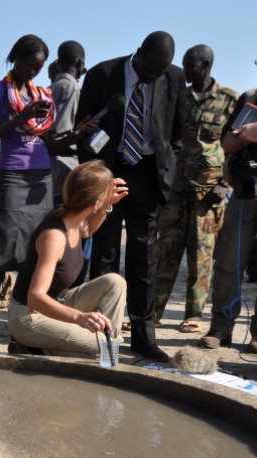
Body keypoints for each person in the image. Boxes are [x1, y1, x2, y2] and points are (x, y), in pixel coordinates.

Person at [0, 34, 99, 352]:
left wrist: (78, 134)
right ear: (15, 58)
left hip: (43, 182)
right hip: (13, 180)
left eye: (38, 68)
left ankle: (21, 337)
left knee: (33, 260)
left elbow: (48, 144)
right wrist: (19, 119)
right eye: (29, 65)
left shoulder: (42, 94)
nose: (33, 73)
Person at [75, 31, 186, 362]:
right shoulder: (102, 74)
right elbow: (84, 130)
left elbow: (178, 132)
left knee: (144, 258)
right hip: (111, 168)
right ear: (138, 53)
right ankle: (102, 337)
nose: (152, 77)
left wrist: (168, 164)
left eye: (159, 73)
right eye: (149, 70)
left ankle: (143, 337)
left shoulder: (175, 77)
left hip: (149, 174)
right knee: (105, 254)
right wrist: (95, 173)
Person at [199, 41, 257, 354]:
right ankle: (221, 327)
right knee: (229, 261)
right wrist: (244, 136)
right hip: (245, 189)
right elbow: (226, 142)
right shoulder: (250, 98)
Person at [154, 45, 237, 334]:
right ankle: (152, 313)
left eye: (190, 66)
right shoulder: (179, 97)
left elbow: (237, 148)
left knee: (200, 257)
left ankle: (193, 315)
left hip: (209, 191)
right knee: (165, 251)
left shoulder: (229, 100)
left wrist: (226, 183)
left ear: (206, 64)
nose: (185, 71)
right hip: (176, 188)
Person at [8, 160, 127, 357]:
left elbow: (87, 230)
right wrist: (79, 317)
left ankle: (106, 344)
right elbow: (34, 297)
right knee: (101, 347)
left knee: (114, 282)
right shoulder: (54, 237)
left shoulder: (74, 221)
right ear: (94, 203)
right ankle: (33, 349)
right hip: (28, 318)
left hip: (57, 304)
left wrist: (106, 206)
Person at [50, 41, 86, 207]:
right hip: (66, 167)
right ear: (80, 62)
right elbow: (61, 133)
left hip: (53, 170)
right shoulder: (72, 87)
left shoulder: (51, 87)